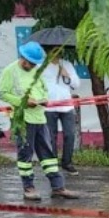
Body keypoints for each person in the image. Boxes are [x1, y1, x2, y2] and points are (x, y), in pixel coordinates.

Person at [0, 41, 78, 200]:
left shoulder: (36, 70)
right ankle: (28, 188)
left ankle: (58, 187)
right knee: (25, 155)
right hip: (23, 119)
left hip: (40, 117)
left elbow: (43, 88)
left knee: (48, 154)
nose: (34, 66)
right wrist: (23, 100)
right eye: (31, 63)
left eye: (35, 64)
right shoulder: (10, 71)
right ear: (23, 59)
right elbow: (2, 93)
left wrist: (43, 99)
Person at [41, 46, 80, 174]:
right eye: (54, 51)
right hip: (49, 107)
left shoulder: (67, 65)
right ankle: (52, 163)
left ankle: (67, 162)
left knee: (70, 134)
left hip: (67, 106)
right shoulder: (41, 66)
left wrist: (67, 76)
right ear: (48, 52)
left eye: (59, 51)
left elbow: (76, 84)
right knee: (51, 136)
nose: (57, 54)